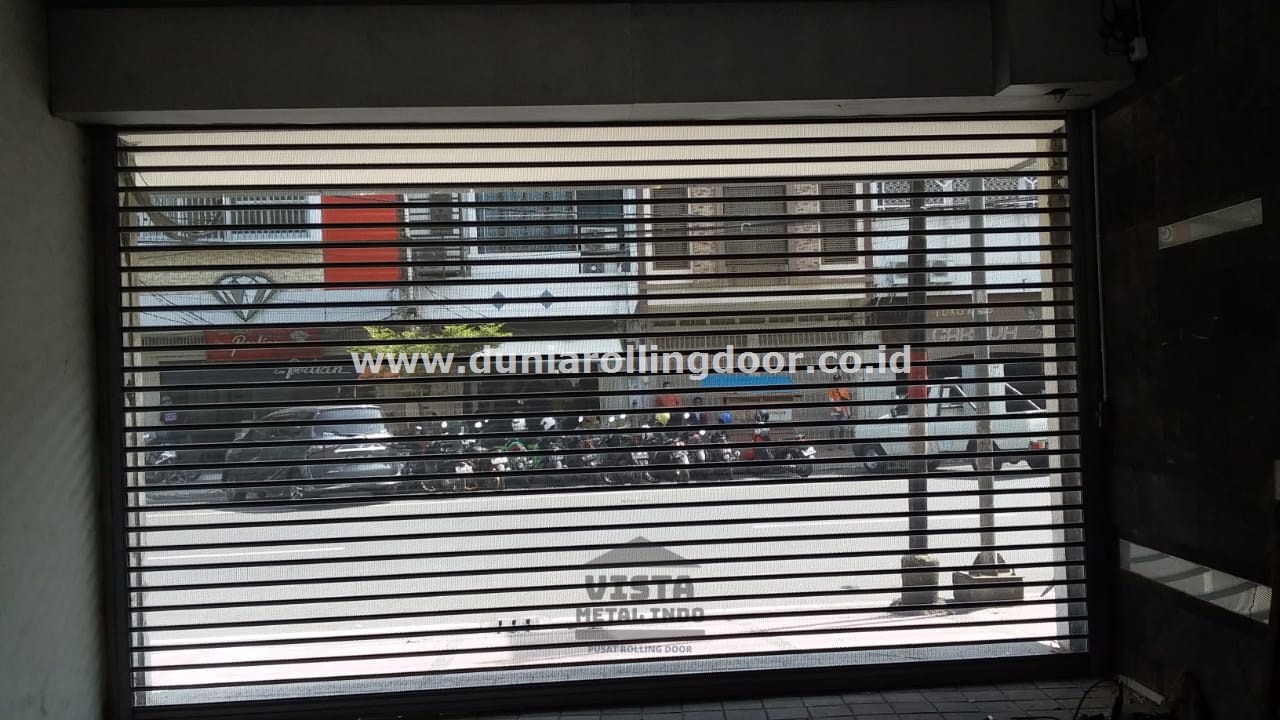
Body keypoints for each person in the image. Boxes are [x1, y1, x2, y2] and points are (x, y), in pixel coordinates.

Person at [827, 373, 853, 439]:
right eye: (836, 380)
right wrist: (839, 410)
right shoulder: (831, 389)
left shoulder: (844, 389)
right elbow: (831, 400)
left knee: (843, 428)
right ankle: (832, 442)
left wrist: (849, 413)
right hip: (834, 412)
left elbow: (847, 401)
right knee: (834, 428)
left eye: (839, 380)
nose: (837, 381)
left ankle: (842, 442)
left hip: (843, 412)